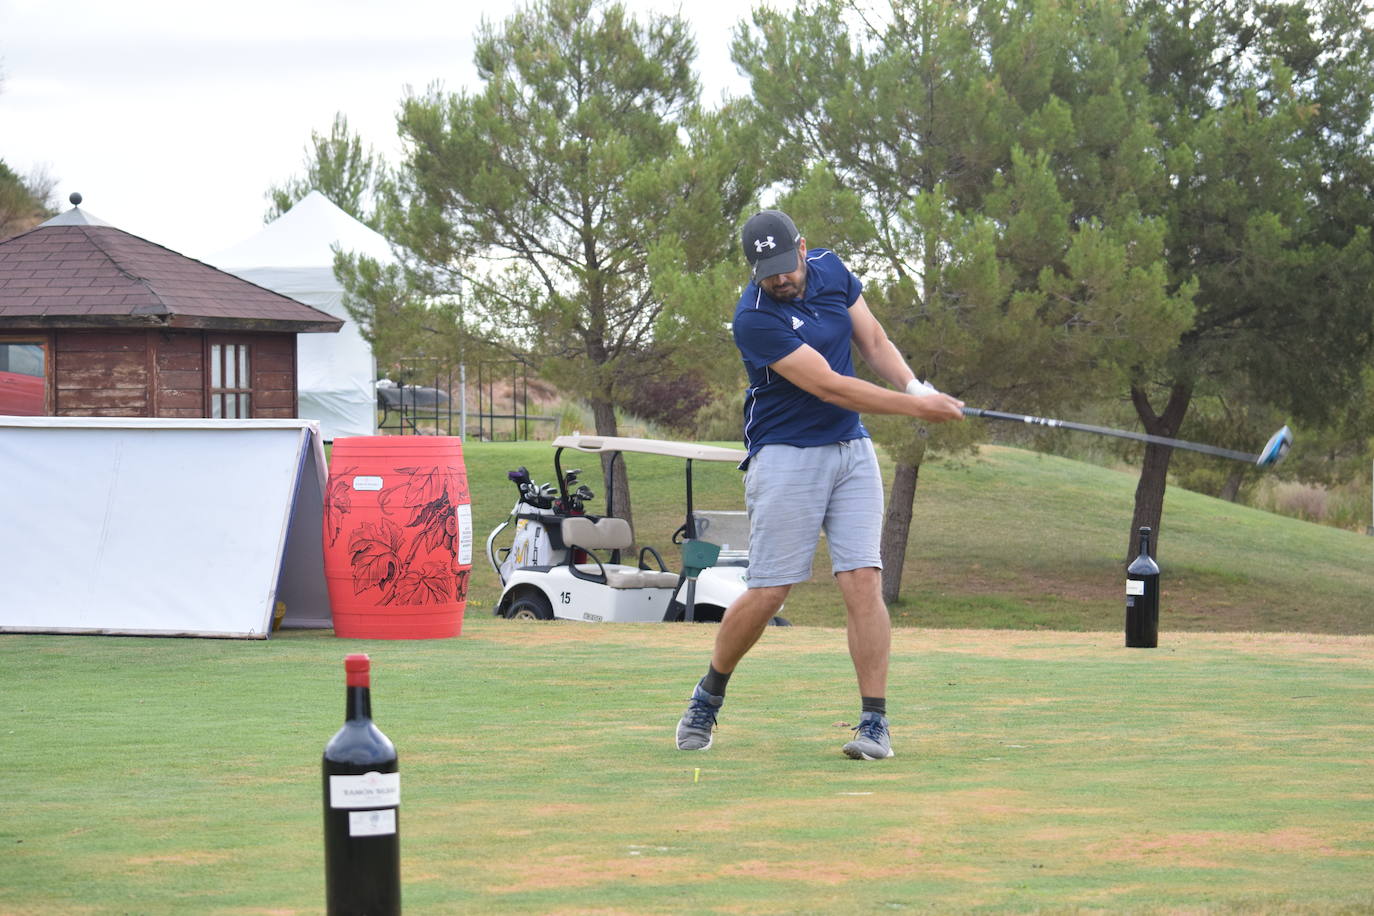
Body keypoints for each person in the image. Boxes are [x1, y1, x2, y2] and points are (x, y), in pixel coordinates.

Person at [675, 209, 965, 760]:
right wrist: (915, 408)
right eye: (767, 272)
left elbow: (874, 340)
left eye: (786, 266)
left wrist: (915, 385)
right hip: (785, 455)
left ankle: (874, 723)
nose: (780, 279)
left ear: (803, 249)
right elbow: (833, 387)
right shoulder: (754, 319)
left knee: (863, 581)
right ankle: (708, 696)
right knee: (770, 590)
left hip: (850, 452)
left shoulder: (832, 269)